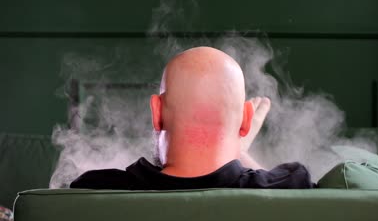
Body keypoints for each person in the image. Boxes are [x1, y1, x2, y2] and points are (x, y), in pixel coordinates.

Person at [70, 47, 313, 190]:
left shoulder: (94, 188)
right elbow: (278, 200)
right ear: (246, 121)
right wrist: (240, 152)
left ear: (156, 112)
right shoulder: (292, 184)